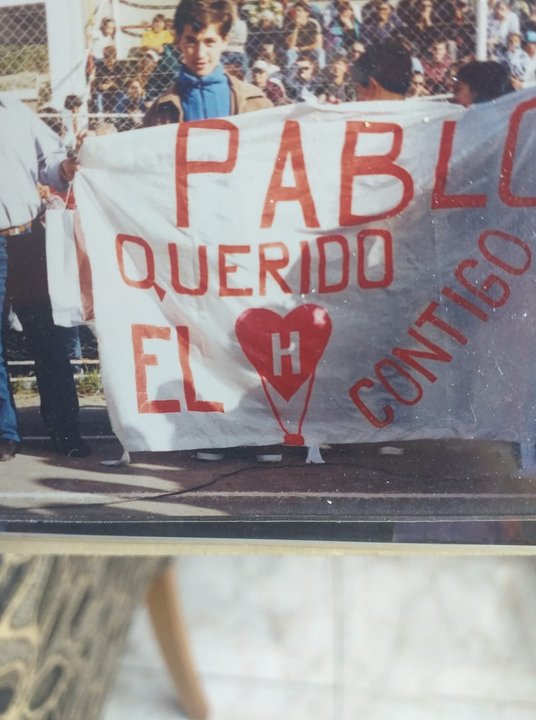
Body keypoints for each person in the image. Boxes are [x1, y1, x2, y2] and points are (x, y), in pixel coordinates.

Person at [142, 0, 279, 463]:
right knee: (203, 334)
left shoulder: (254, 101)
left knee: (249, 330)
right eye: (190, 40)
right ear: (177, 42)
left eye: (209, 41)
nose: (199, 50)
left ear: (224, 41)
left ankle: (261, 430)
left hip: (243, 237)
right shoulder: (163, 107)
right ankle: (215, 429)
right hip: (192, 241)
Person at [0, 92, 88, 461]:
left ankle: (65, 430)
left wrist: (65, 169)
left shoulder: (14, 109)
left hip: (29, 240)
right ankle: (5, 434)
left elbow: (51, 160)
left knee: (50, 340)